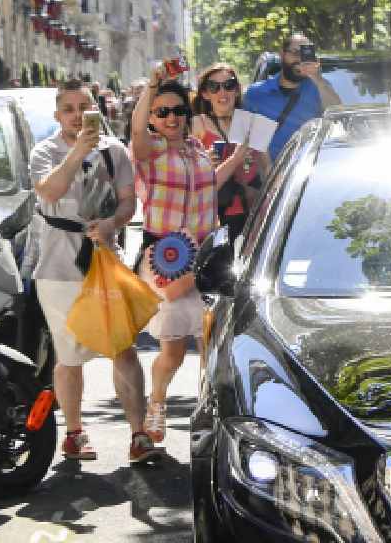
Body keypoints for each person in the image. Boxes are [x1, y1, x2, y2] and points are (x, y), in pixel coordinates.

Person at [29, 79, 160, 464]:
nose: (75, 116)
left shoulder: (113, 150)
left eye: (83, 107)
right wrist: (77, 154)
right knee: (68, 355)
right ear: (57, 115)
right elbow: (48, 192)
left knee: (122, 347)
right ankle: (74, 433)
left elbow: (128, 203)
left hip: (103, 258)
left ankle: (139, 434)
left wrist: (112, 225)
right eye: (68, 109)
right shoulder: (45, 151)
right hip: (57, 265)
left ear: (94, 109)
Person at [131, 63, 235, 444]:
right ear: (153, 119)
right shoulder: (149, 153)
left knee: (213, 344)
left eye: (178, 111)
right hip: (168, 259)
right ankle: (155, 408)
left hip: (207, 259)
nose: (172, 118)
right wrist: (152, 86)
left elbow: (209, 186)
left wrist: (240, 158)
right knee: (173, 351)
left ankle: (211, 414)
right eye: (163, 112)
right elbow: (136, 132)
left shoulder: (197, 150)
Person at [193, 63, 265, 243]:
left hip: (250, 213)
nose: (222, 92)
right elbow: (188, 178)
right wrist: (203, 161)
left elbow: (268, 169)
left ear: (237, 91)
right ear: (205, 94)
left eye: (229, 85)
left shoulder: (253, 122)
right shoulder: (197, 124)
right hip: (212, 216)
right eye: (213, 87)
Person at [241, 33, 341, 161]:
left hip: (305, 173)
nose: (300, 60)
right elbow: (239, 140)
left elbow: (338, 114)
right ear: (282, 54)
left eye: (305, 55)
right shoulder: (255, 93)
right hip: (266, 176)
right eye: (295, 53)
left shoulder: (318, 88)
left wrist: (317, 78)